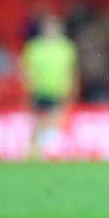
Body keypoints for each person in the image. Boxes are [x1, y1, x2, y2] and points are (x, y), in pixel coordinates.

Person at [21, 14, 79, 159]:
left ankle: (46, 150)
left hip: (59, 90)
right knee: (38, 121)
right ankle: (34, 151)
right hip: (39, 90)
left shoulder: (66, 47)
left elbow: (72, 69)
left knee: (56, 120)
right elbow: (25, 68)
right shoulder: (34, 47)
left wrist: (72, 86)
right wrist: (29, 83)